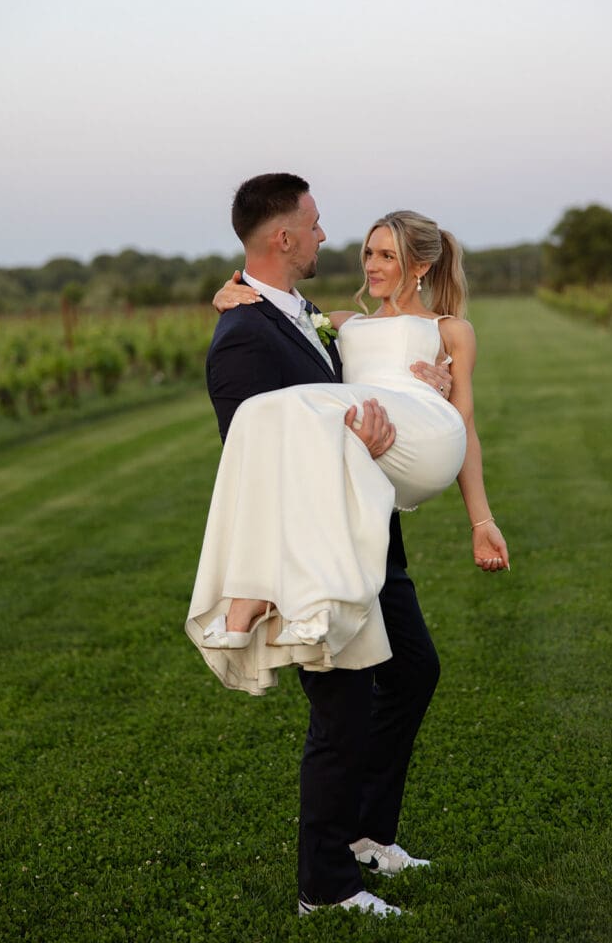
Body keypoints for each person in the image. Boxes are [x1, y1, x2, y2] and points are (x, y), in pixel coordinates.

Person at [185, 173, 508, 917]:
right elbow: (257, 450)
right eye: (324, 228)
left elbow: (356, 377)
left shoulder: (315, 321)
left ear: (418, 265)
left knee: (412, 671)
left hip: (375, 529)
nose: (344, 248)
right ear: (285, 236)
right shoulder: (251, 330)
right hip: (317, 541)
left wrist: (420, 399)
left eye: (382, 252)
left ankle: (366, 837)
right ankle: (325, 887)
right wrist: (228, 293)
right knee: (342, 707)